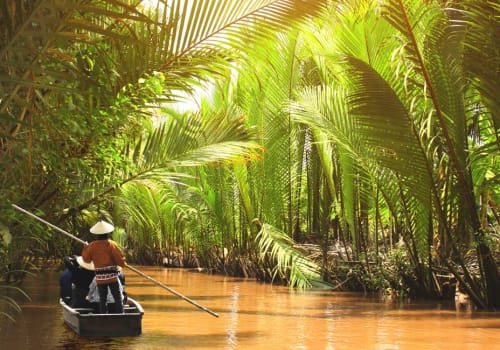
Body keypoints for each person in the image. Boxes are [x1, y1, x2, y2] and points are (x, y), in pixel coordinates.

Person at [81, 220, 126, 314]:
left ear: (97, 234)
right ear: (107, 233)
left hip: (100, 278)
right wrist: (123, 264)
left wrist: (85, 248)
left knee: (103, 299)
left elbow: (86, 260)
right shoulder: (111, 244)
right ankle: (121, 316)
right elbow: (119, 259)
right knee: (118, 298)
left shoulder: (92, 246)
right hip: (112, 277)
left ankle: (103, 316)